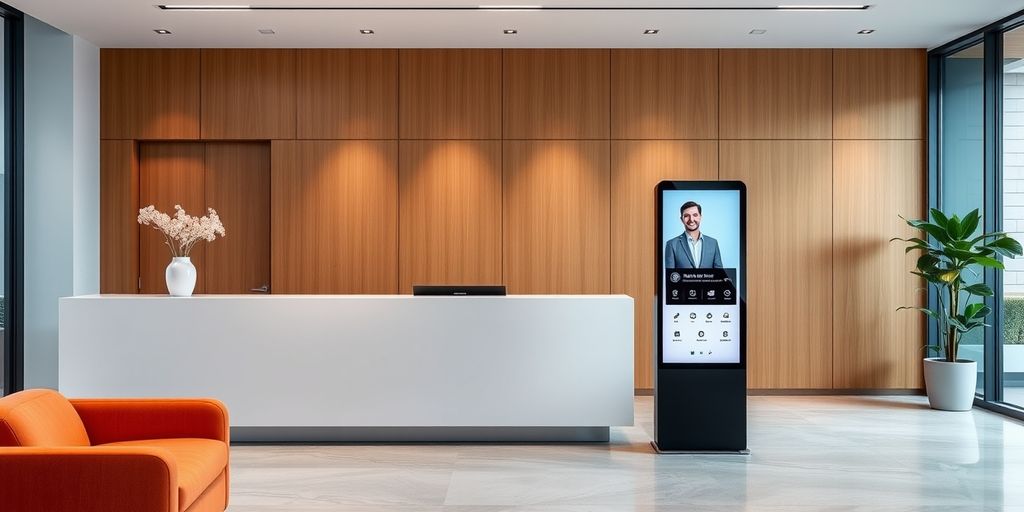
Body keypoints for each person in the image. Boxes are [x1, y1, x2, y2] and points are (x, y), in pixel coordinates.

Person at [665, 201, 724, 269]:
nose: (691, 219)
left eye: (695, 215)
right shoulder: (672, 244)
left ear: (700, 217)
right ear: (681, 219)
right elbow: (670, 277)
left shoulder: (713, 243)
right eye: (686, 216)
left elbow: (720, 275)